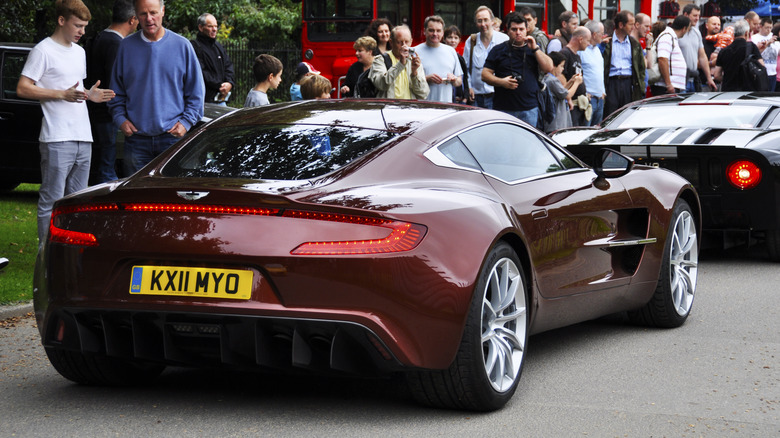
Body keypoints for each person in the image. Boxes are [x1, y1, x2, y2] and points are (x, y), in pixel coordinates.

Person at [16, 0, 116, 245]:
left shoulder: (79, 52)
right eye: (78, 25)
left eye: (84, 26)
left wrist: (89, 95)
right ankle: (46, 255)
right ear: (61, 21)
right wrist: (61, 94)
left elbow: (75, 88)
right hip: (56, 138)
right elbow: (23, 88)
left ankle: (69, 254)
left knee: (77, 202)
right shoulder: (43, 50)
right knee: (52, 200)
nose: (82, 31)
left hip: (84, 137)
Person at [108, 0, 205, 174]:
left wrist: (186, 122)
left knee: (172, 197)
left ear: (163, 11)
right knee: (136, 197)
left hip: (173, 139)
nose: (149, 18)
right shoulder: (126, 47)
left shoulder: (182, 46)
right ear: (136, 16)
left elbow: (196, 92)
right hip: (136, 139)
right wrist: (120, 119)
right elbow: (116, 91)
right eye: (143, 14)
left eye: (153, 12)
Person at [85, 0, 136, 184]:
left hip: (97, 111)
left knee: (102, 157)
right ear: (132, 20)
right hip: (108, 113)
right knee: (107, 160)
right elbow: (118, 80)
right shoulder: (116, 44)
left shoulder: (99, 38)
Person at [482, 12, 553, 126]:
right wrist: (502, 82)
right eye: (514, 29)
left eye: (521, 29)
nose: (518, 33)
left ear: (526, 30)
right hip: (503, 108)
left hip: (529, 109)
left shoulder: (534, 48)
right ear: (508, 31)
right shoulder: (498, 50)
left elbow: (549, 68)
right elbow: (485, 75)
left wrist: (535, 49)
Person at [462, 5, 509, 109]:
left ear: (492, 21)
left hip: (497, 96)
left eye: (485, 20)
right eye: (479, 21)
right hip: (476, 97)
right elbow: (465, 68)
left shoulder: (504, 40)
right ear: (475, 23)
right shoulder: (471, 41)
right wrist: (469, 87)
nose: (483, 24)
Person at [603, 11, 646, 118]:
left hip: (629, 84)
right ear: (621, 25)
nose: (633, 27)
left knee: (626, 116)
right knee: (610, 116)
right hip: (611, 83)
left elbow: (641, 68)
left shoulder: (634, 43)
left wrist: (641, 87)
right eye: (630, 24)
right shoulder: (607, 42)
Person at [369, 25, 429, 100]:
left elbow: (423, 93)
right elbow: (381, 85)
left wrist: (414, 74)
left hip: (409, 108)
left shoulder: (414, 61)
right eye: (399, 42)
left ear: (411, 41)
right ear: (391, 42)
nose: (404, 46)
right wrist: (400, 64)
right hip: (388, 108)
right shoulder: (380, 60)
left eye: (406, 42)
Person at [414, 16, 463, 103]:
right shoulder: (415, 51)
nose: (435, 34)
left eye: (438, 31)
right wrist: (426, 78)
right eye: (431, 30)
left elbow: (459, 81)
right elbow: (407, 81)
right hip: (422, 106)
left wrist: (454, 79)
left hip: (446, 106)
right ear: (424, 31)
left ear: (443, 33)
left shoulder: (451, 51)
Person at [191, 13, 234, 105]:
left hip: (221, 100)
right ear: (200, 28)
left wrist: (229, 83)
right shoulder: (195, 47)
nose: (214, 29)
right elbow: (200, 72)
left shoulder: (218, 47)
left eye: (216, 26)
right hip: (204, 101)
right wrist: (219, 85)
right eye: (210, 26)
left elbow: (228, 65)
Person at [716, 19, 764, 91]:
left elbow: (717, 75)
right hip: (747, 92)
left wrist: (729, 79)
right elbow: (761, 67)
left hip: (728, 92)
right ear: (746, 33)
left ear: (734, 34)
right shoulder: (751, 47)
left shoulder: (723, 51)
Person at [679, 4, 716, 92]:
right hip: (681, 80)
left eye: (698, 15)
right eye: (694, 15)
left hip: (694, 79)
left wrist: (709, 78)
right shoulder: (676, 33)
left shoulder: (696, 32)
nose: (697, 18)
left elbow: (702, 57)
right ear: (685, 15)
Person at [542, 51, 581, 133]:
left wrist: (571, 81)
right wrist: (577, 83)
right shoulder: (552, 80)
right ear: (553, 66)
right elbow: (567, 95)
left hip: (558, 124)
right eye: (561, 66)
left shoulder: (549, 78)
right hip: (556, 125)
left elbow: (560, 91)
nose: (563, 69)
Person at [652, 15, 690, 95]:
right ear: (684, 28)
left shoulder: (671, 37)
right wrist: (668, 84)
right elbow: (662, 59)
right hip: (665, 88)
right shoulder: (667, 37)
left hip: (670, 86)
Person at [561, 26, 590, 126]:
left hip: (580, 105)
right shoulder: (565, 53)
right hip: (572, 104)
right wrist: (567, 97)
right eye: (588, 40)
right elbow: (561, 76)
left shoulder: (577, 55)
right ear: (581, 39)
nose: (589, 43)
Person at [580, 20, 606, 126]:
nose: (603, 36)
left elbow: (599, 72)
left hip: (600, 99)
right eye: (602, 33)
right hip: (588, 100)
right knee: (584, 133)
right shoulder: (581, 51)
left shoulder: (597, 50)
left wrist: (603, 92)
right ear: (594, 35)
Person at [443, 26, 470, 104]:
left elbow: (465, 77)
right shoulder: (442, 56)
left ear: (459, 40)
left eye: (456, 38)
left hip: (460, 99)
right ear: (444, 39)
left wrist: (465, 96)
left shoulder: (460, 58)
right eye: (449, 37)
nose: (453, 41)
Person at [752, 17, 778, 91]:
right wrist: (768, 43)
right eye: (767, 27)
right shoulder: (754, 38)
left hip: (773, 72)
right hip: (761, 72)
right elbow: (755, 54)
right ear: (761, 27)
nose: (769, 30)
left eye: (770, 27)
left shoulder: (774, 36)